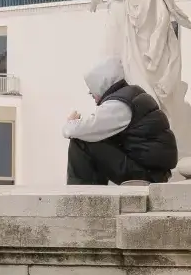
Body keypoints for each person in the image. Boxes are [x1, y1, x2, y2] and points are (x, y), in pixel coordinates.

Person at [63, 56, 178, 186]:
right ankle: (91, 194)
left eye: (92, 92)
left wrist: (71, 122)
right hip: (150, 170)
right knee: (93, 138)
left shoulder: (119, 105)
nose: (93, 97)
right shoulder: (129, 96)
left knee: (81, 141)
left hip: (146, 174)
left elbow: (80, 130)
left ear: (101, 86)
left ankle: (81, 198)